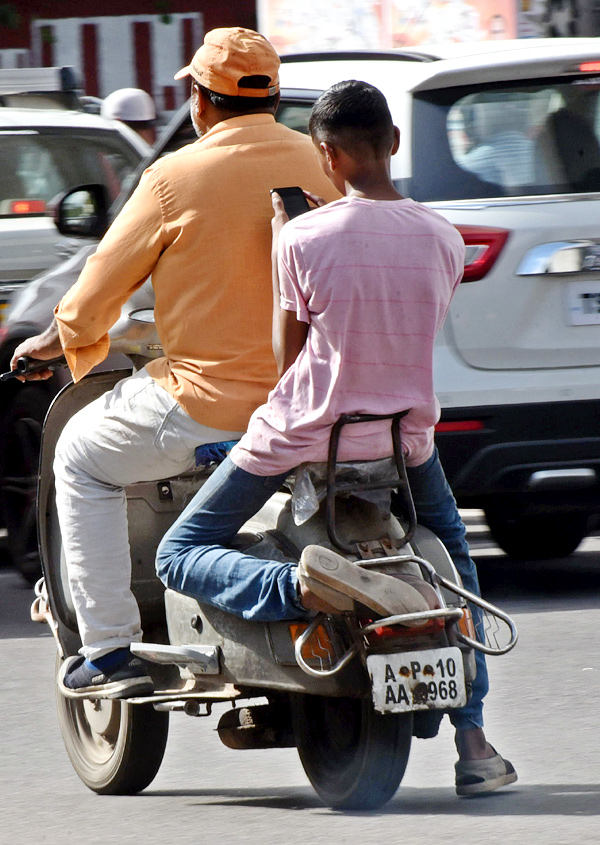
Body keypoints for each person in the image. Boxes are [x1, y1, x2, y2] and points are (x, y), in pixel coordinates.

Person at [155, 79, 517, 797]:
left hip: (302, 441)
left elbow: (286, 361)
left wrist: (292, 233)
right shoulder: (444, 237)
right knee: (454, 559)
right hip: (403, 445)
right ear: (395, 142)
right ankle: (473, 739)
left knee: (178, 552)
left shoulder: (301, 237)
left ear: (325, 155)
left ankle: (299, 586)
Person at [10, 27, 339, 699]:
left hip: (208, 406)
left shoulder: (174, 176)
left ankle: (106, 650)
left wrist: (53, 340)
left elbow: (99, 285)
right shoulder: (324, 162)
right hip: (318, 403)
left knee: (79, 454)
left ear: (201, 100)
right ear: (271, 96)